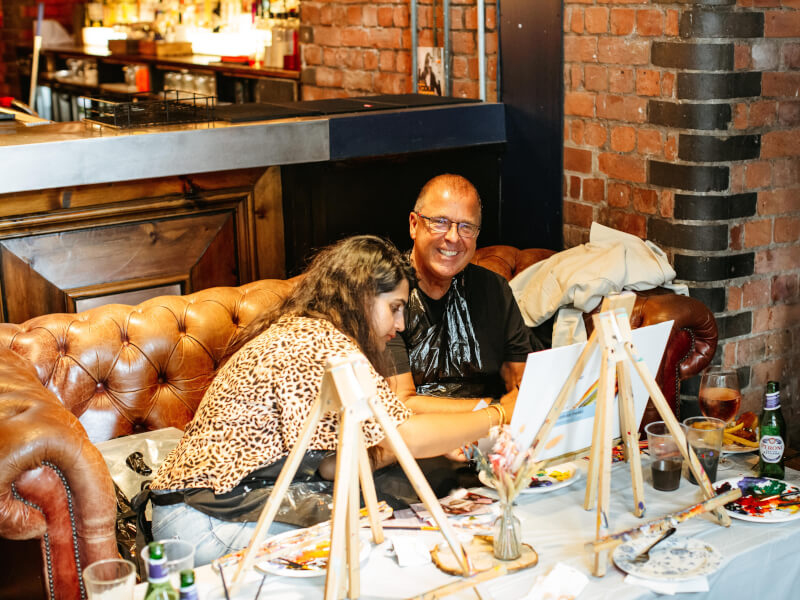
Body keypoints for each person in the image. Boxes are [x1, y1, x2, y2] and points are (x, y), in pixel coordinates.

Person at [149, 235, 513, 566]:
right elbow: (405, 434)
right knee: (379, 549)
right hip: (205, 521)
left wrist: (437, 440)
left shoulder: (308, 330)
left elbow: (332, 464)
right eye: (395, 307)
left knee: (383, 521)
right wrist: (498, 413)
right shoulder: (326, 344)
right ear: (362, 297)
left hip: (191, 513)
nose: (401, 324)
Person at [386, 174, 534, 415]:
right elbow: (401, 403)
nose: (453, 237)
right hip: (418, 434)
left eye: (466, 227)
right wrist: (495, 411)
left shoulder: (495, 289)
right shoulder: (385, 295)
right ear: (414, 225)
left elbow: (520, 387)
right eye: (440, 222)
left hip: (494, 433)